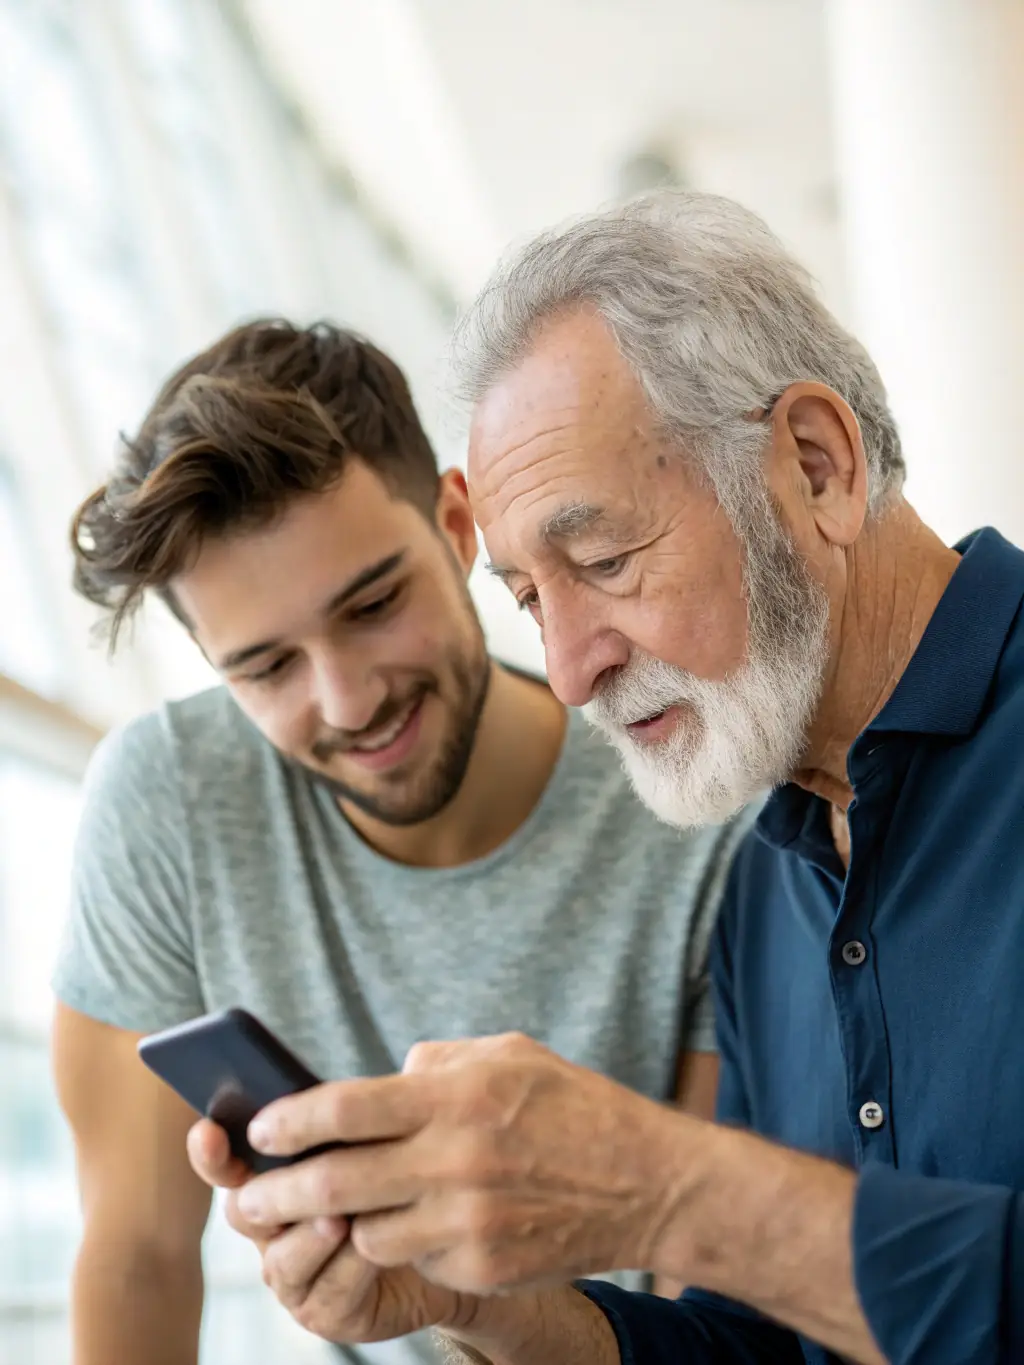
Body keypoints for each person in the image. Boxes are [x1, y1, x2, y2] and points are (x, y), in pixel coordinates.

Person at [189, 193, 1024, 1365]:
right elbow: (775, 1346)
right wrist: (475, 1305)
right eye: (533, 599)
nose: (571, 675)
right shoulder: (763, 888)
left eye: (604, 560)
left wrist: (671, 1191)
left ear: (818, 467)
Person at [53, 318, 746, 1365]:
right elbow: (140, 1258)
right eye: (265, 668)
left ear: (459, 527)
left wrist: (470, 1300)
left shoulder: (694, 814)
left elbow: (713, 1319)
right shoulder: (166, 802)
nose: (349, 700)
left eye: (373, 605)